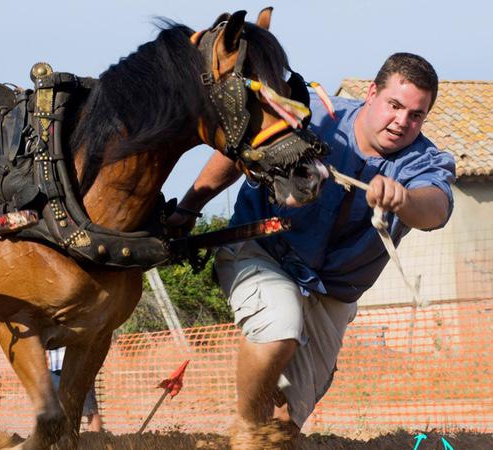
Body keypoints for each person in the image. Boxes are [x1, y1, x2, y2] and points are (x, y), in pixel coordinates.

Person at [170, 53, 455, 449]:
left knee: (287, 425)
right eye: (395, 105)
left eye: (416, 115)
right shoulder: (311, 118)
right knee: (279, 327)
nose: (402, 122)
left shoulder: (422, 161)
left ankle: (264, 436)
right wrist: (188, 208)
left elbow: (436, 208)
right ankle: (246, 431)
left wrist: (403, 199)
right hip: (262, 251)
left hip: (333, 290)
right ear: (372, 93)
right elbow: (236, 152)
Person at [48, 347, 103, 432]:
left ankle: (97, 442)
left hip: (80, 368)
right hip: (56, 369)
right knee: (58, 411)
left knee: (90, 410)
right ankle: (64, 442)